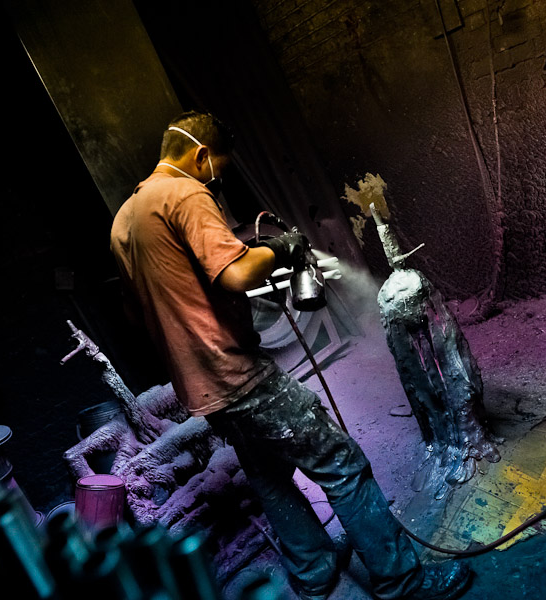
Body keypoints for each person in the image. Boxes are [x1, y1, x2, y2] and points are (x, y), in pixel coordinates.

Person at [110, 111, 472, 600]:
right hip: (235, 373)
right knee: (340, 462)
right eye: (220, 167)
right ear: (200, 155)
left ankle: (315, 575)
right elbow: (237, 275)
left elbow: (138, 316)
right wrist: (281, 248)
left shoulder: (124, 220)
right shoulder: (185, 192)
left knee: (267, 474)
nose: (219, 179)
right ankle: (404, 583)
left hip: (199, 387)